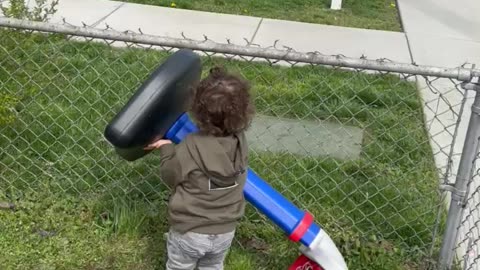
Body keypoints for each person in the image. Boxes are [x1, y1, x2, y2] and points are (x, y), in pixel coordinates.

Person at [144, 66, 255, 270]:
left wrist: (167, 149)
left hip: (190, 230)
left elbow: (170, 175)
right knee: (212, 266)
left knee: (180, 266)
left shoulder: (191, 146)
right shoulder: (240, 142)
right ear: (244, 113)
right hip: (225, 230)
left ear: (198, 111)